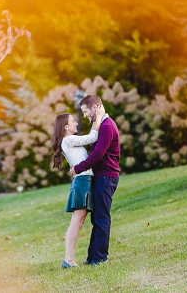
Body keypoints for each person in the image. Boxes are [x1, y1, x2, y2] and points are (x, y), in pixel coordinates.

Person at [51, 106, 105, 268]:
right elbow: (92, 137)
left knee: (78, 221)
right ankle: (68, 260)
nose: (76, 123)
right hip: (82, 183)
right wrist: (99, 117)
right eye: (73, 121)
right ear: (65, 127)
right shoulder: (68, 140)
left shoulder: (69, 141)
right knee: (77, 221)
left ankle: (68, 259)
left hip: (83, 180)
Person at [70, 95, 121, 265]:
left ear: (96, 106)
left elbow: (98, 155)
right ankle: (92, 257)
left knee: (101, 217)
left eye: (85, 112)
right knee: (96, 218)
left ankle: (100, 258)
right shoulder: (100, 124)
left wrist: (78, 168)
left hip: (107, 176)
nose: (84, 116)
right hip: (101, 176)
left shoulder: (107, 126)